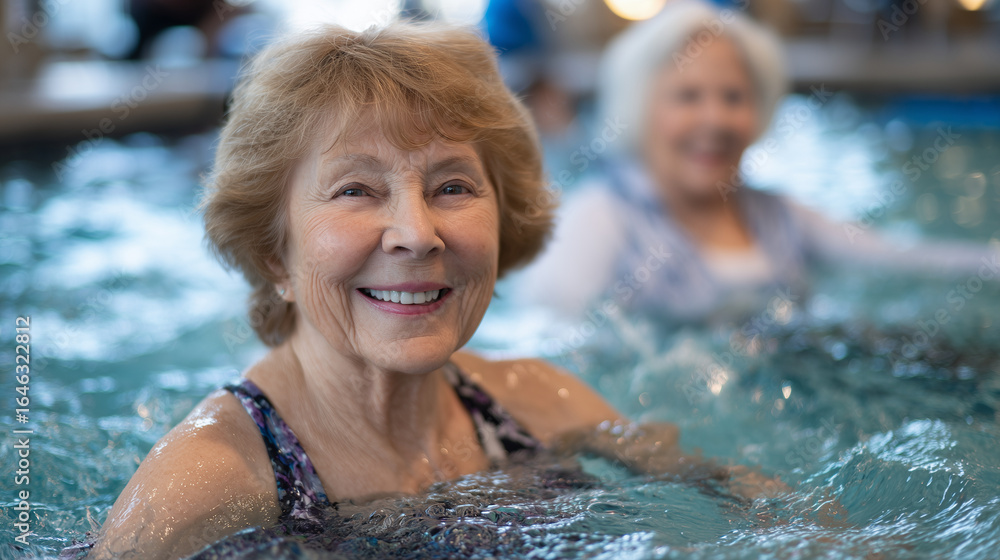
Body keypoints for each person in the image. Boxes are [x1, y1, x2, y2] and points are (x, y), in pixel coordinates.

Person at [59, 22, 785, 560]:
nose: (417, 232)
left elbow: (750, 494)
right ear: (273, 251)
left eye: (453, 186)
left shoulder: (533, 404)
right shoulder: (212, 477)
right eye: (355, 189)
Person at [518, 0, 997, 323]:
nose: (715, 119)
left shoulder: (777, 214)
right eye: (688, 96)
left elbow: (898, 258)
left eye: (733, 97)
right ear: (640, 110)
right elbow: (549, 346)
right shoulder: (599, 217)